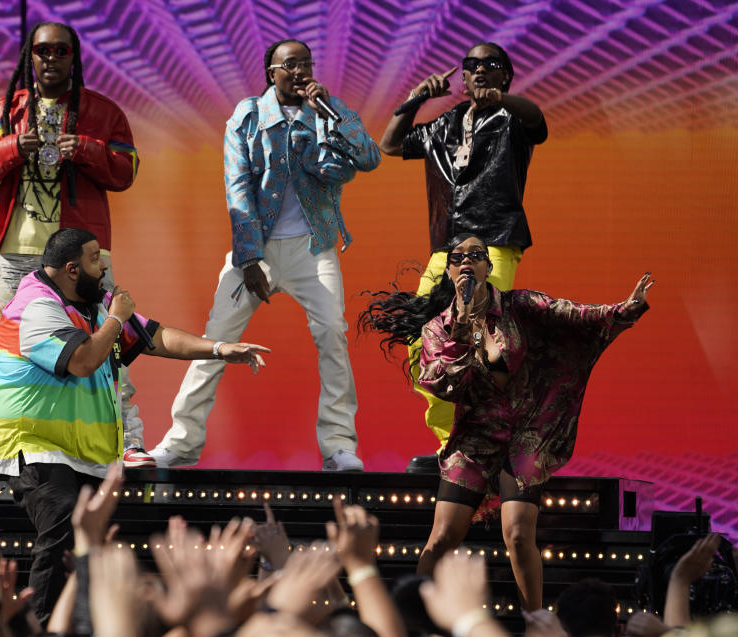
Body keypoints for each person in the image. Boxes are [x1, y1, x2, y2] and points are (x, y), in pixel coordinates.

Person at [0, 227, 270, 622]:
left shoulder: (96, 303)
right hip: (33, 445)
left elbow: (155, 337)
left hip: (80, 453)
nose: (103, 267)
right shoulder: (36, 306)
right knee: (63, 529)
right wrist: (116, 319)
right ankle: (41, 627)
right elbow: (83, 360)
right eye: (95, 258)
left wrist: (220, 349)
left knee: (84, 547)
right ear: (70, 269)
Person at [360, 233, 653, 611]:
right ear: (449, 271)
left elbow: (575, 315)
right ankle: (414, 619)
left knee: (517, 534)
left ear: (489, 266)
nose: (467, 260)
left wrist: (626, 309)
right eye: (458, 256)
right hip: (476, 433)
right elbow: (441, 382)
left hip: (526, 431)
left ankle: (536, 623)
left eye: (477, 255)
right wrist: (463, 328)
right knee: (444, 536)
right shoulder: (439, 328)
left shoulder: (520, 306)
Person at [149, 39, 381, 471]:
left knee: (332, 333)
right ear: (270, 71)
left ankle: (338, 445)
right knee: (215, 338)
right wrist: (250, 257)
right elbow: (237, 187)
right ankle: (181, 441)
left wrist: (330, 114)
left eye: (307, 63)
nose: (301, 71)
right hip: (257, 247)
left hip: (314, 246)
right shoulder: (249, 115)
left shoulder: (328, 110)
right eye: (290, 64)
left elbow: (368, 158)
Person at [0, 21, 153, 469]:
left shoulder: (101, 110)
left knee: (109, 336)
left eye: (61, 51)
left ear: (73, 57)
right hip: (18, 251)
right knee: (1, 342)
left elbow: (126, 171)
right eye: (43, 50)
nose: (51, 58)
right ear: (30, 56)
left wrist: (84, 147)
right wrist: (10, 148)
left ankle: (129, 439)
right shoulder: (5, 108)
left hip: (80, 255)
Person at [378, 42, 547, 472]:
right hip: (446, 250)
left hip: (493, 242)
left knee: (486, 343)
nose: (480, 71)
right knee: (424, 340)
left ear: (506, 76)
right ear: (464, 78)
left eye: (491, 65)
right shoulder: (445, 123)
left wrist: (501, 100)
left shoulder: (512, 120)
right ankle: (449, 444)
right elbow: (391, 144)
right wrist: (417, 98)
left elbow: (538, 121)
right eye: (471, 66)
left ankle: (490, 444)